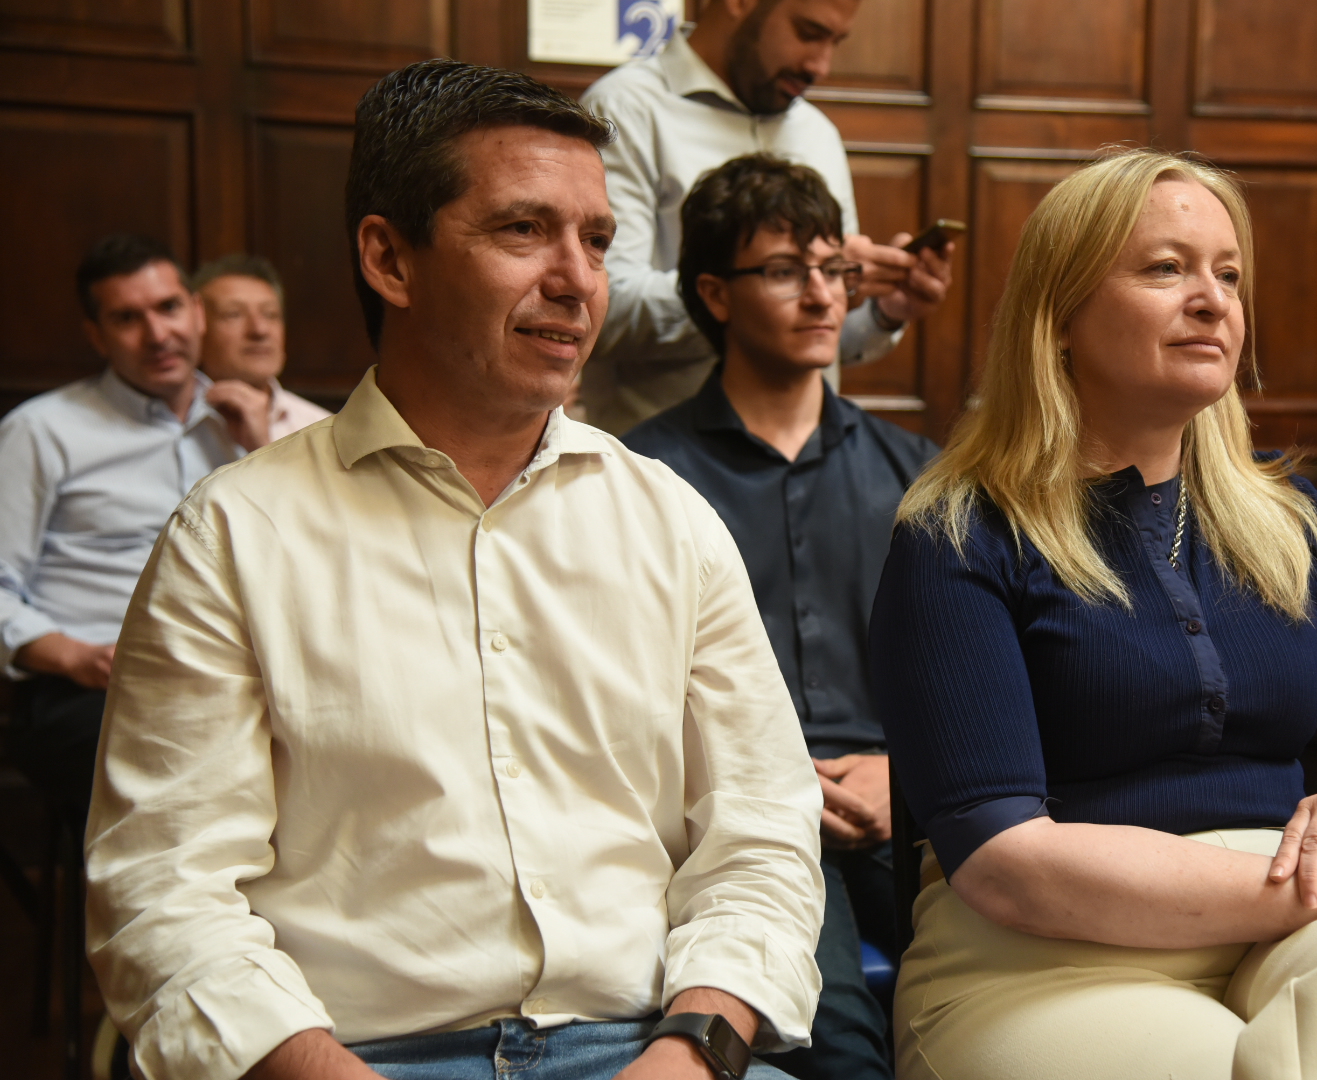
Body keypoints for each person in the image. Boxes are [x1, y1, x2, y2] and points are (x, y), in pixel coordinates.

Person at [85, 60, 821, 1080]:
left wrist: (691, 1052)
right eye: (524, 230)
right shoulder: (233, 535)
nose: (578, 280)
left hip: (643, 1046)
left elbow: (763, 840)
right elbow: (164, 892)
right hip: (354, 1053)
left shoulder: (671, 521)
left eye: (597, 240)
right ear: (390, 258)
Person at [868, 148, 1317, 1080]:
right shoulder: (961, 534)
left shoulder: (1293, 522)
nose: (1212, 301)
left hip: (1291, 923)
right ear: (1059, 317)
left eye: (1228, 275)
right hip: (1046, 951)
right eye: (1165, 268)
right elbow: (1007, 866)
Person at [625, 154, 937, 1080]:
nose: (822, 295)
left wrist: (906, 773)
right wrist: (775, 780)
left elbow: (971, 669)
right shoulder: (642, 477)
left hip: (900, 800)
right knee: (839, 1044)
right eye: (785, 271)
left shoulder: (920, 471)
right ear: (715, 294)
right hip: (739, 817)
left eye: (835, 270)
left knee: (1017, 997)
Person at [579, 0, 954, 434]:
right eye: (809, 33)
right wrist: (762, 289)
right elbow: (598, 308)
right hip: (662, 460)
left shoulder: (817, 134)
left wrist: (884, 311)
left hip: (807, 454)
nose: (821, 66)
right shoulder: (624, 111)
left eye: (835, 42)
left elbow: (821, 338)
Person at [0, 234, 258, 833]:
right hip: (85, 690)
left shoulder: (246, 424)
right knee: (193, 773)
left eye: (168, 308)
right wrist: (72, 655)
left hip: (227, 677)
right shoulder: (41, 432)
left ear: (197, 311)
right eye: (126, 318)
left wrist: (260, 447)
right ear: (97, 336)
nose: (157, 334)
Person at [195, 253, 334, 442]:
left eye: (270, 314)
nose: (259, 330)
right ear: (197, 327)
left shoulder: (323, 431)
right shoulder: (174, 427)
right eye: (233, 314)